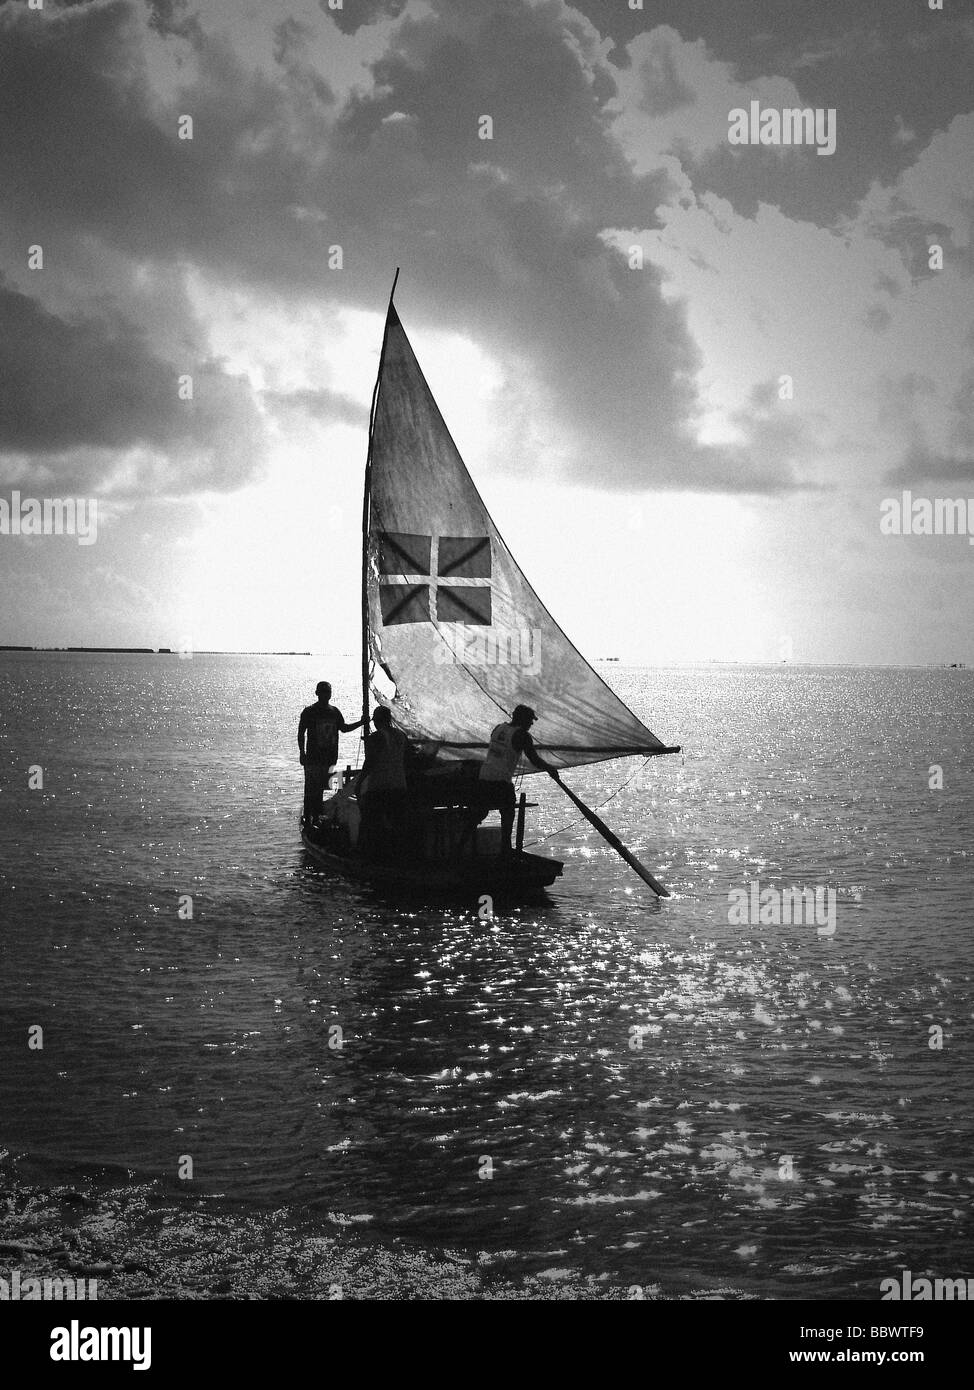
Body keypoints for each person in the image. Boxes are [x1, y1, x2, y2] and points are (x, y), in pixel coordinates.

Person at [476, 704, 559, 855]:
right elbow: (534, 759)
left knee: (475, 817)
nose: (531, 724)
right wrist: (550, 768)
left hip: (483, 777)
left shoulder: (498, 728)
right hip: (500, 782)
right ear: (522, 719)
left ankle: (461, 849)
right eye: (530, 720)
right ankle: (506, 851)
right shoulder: (522, 736)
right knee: (508, 816)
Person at [298, 682, 364, 824]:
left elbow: (344, 728)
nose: (325, 695)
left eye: (328, 692)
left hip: (329, 758)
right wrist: (302, 752)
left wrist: (361, 723)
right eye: (322, 692)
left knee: (322, 787)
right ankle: (310, 817)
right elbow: (301, 733)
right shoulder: (309, 712)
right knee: (310, 789)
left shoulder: (334, 712)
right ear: (317, 693)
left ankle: (316, 817)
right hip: (313, 758)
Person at [357, 706, 410, 858]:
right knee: (397, 824)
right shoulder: (401, 735)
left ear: (378, 721)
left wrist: (360, 783)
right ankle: (398, 856)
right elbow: (407, 759)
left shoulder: (377, 737)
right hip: (399, 786)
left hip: (379, 787)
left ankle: (366, 856)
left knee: (369, 822)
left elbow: (369, 763)